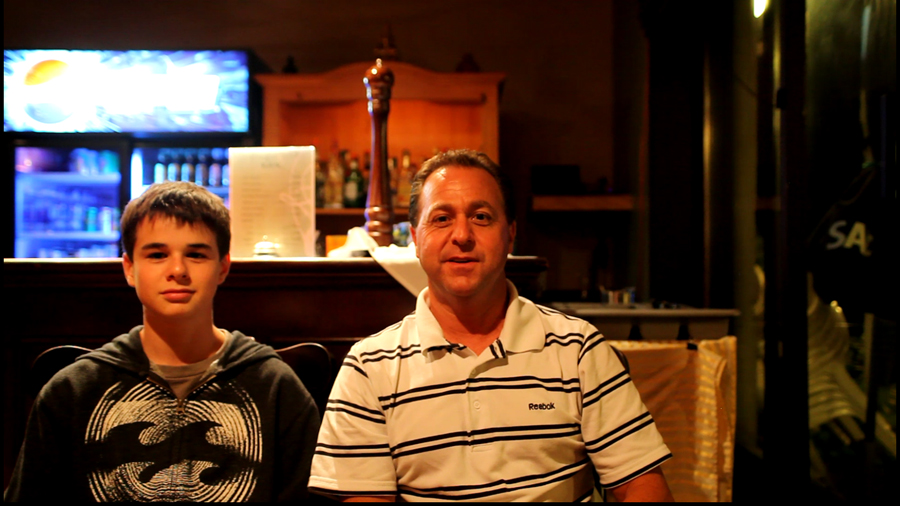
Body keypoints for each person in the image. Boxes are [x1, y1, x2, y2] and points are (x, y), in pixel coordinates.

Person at [309, 149, 674, 501]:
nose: (462, 236)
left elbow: (643, 486)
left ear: (510, 235)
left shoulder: (579, 348)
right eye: (441, 218)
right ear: (416, 239)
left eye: (481, 217)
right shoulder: (368, 366)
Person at [5, 181, 319, 502]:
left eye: (196, 254)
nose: (178, 270)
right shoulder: (73, 391)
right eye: (157, 255)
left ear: (223, 267)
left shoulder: (275, 388)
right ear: (130, 268)